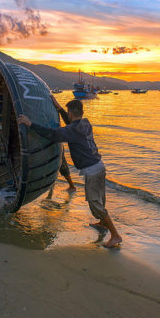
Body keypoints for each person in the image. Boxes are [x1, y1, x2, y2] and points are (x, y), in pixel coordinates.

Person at [17, 98, 122, 248]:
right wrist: (60, 108)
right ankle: (103, 224)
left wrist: (30, 123)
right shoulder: (85, 123)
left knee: (95, 202)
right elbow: (71, 125)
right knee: (100, 197)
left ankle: (115, 235)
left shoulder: (72, 130)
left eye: (68, 113)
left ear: (71, 113)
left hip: (92, 171)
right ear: (81, 112)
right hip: (99, 166)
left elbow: (53, 134)